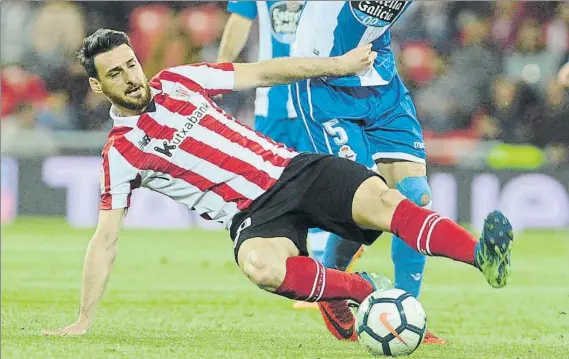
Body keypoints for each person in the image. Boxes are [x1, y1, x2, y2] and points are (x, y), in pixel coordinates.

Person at [42, 29, 513, 337]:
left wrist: (340, 64)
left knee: (386, 199)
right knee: (261, 267)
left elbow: (264, 72)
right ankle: (357, 289)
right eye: (115, 73)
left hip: (295, 170)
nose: (131, 77)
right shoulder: (120, 154)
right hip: (254, 215)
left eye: (130, 64)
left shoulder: (179, 81)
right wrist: (83, 320)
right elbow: (105, 239)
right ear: (98, 86)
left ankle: (482, 257)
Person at [290, 1, 445, 343]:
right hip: (326, 82)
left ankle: (407, 311)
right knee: (365, 197)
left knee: (416, 195)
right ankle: (333, 290)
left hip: (380, 79)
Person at [217, 0, 330, 269]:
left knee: (320, 183)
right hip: (273, 101)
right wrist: (221, 69)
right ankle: (291, 261)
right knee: (271, 188)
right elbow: (240, 20)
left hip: (317, 99)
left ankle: (326, 269)